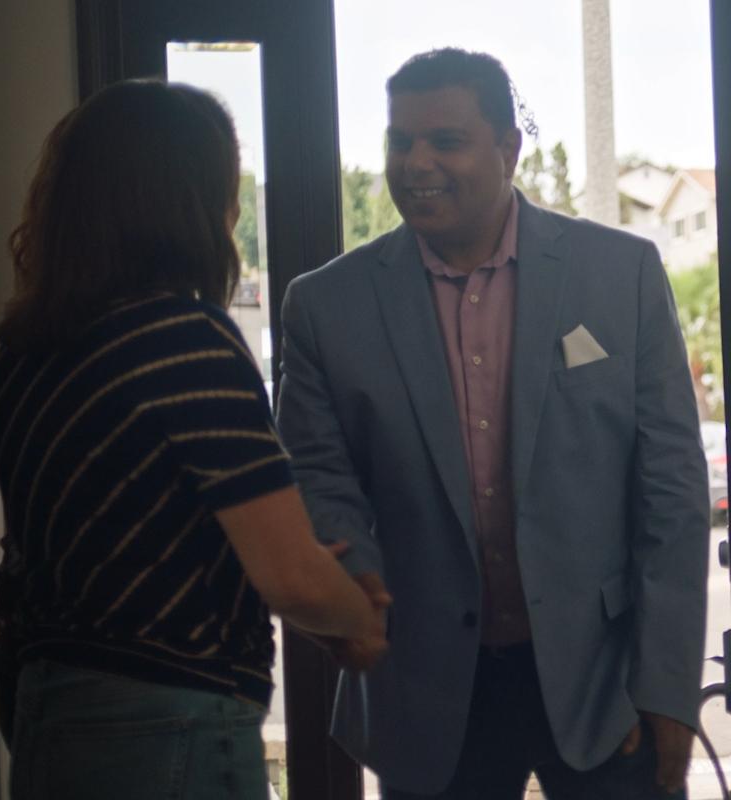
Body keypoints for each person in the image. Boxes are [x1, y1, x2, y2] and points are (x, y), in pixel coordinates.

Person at [276, 48, 709, 799]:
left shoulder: (621, 274)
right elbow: (319, 475)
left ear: (509, 150)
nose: (416, 163)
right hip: (427, 689)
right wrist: (353, 582)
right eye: (399, 141)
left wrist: (667, 685)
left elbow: (672, 492)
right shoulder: (325, 307)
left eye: (444, 140)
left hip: (604, 685)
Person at [0, 79, 389, 800]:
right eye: (225, 189)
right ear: (185, 203)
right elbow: (290, 574)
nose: (232, 212)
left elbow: (128, 542)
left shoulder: (26, 352)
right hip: (169, 720)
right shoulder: (185, 340)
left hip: (46, 708)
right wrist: (358, 615)